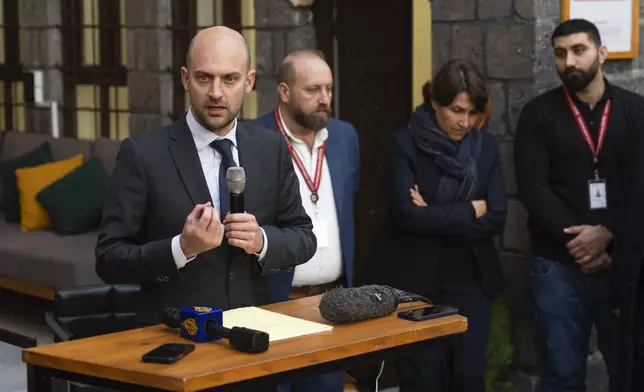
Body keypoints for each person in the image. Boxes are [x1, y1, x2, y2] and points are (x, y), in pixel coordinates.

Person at [95, 26, 317, 328]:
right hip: (176, 338)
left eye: (230, 79)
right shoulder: (143, 154)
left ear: (248, 82)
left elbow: (303, 237)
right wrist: (181, 249)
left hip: (254, 336)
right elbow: (109, 259)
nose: (216, 93)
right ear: (186, 78)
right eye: (204, 78)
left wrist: (262, 241)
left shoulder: (272, 147)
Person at [365, 59, 507, 392]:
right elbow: (407, 216)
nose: (465, 122)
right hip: (418, 281)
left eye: (472, 113)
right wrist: (470, 209)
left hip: (471, 278)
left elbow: (497, 215)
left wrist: (435, 213)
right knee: (424, 380)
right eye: (456, 110)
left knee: (469, 376)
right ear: (434, 102)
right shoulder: (405, 143)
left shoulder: (484, 147)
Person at [513, 19, 641, 391]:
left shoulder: (636, 112)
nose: (569, 61)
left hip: (622, 263)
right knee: (561, 375)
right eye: (560, 53)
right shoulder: (537, 114)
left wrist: (609, 234)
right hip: (557, 266)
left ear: (601, 53)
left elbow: (640, 187)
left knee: (628, 369)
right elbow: (533, 188)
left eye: (579, 50)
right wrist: (583, 243)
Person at [247, 49, 360, 392]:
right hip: (276, 305)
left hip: (331, 306)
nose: (324, 99)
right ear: (284, 92)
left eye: (328, 88)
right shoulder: (254, 139)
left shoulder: (345, 137)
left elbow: (346, 204)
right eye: (313, 90)